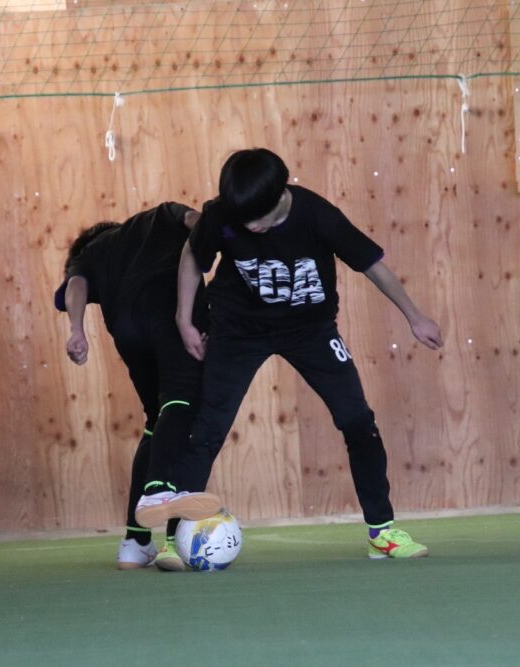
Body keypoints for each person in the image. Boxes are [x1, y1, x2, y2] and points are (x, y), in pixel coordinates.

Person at [173, 148, 444, 559]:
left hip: (310, 330)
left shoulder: (318, 216)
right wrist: (184, 319)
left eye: (257, 219)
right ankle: (176, 538)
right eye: (243, 220)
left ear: (281, 194)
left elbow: (372, 265)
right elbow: (193, 256)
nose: (249, 227)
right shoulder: (223, 213)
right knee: (207, 428)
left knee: (358, 421)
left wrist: (415, 316)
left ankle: (382, 532)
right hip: (237, 329)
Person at [55, 202, 221, 571]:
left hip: (127, 330)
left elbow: (75, 285)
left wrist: (77, 331)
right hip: (171, 313)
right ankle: (158, 490)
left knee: (157, 419)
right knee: (183, 401)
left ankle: (135, 542)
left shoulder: (91, 254)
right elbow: (199, 222)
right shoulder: (162, 214)